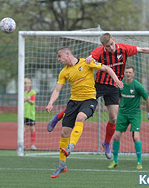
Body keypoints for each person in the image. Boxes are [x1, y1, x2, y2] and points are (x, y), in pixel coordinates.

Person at [47, 32, 149, 159]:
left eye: (112, 44)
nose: (111, 48)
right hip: (99, 85)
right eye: (108, 46)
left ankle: (106, 143)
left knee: (113, 118)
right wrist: (90, 59)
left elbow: (140, 49)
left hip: (113, 87)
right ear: (103, 46)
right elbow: (89, 59)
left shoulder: (123, 48)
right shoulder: (100, 51)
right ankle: (57, 117)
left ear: (114, 40)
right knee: (80, 101)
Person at [46, 46, 123, 178]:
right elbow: (57, 90)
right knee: (64, 133)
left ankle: (70, 147)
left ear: (67, 54)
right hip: (73, 102)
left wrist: (116, 80)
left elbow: (107, 68)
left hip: (89, 100)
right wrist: (50, 102)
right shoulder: (64, 72)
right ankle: (62, 165)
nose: (58, 59)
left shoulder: (86, 62)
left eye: (59, 56)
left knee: (81, 117)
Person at [108, 66, 149, 170]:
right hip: (123, 114)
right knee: (116, 136)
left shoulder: (137, 86)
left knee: (136, 138)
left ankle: (139, 162)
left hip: (134, 114)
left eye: (130, 72)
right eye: (126, 72)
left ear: (133, 74)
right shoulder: (120, 84)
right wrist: (120, 108)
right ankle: (115, 161)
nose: (128, 74)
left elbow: (148, 99)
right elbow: (119, 97)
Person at [24, 78, 37, 150]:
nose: (26, 85)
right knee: (22, 129)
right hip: (24, 114)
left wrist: (27, 99)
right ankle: (22, 144)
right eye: (25, 83)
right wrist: (27, 98)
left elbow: (32, 102)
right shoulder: (22, 93)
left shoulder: (32, 92)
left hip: (31, 114)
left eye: (27, 83)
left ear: (30, 84)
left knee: (32, 128)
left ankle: (33, 144)